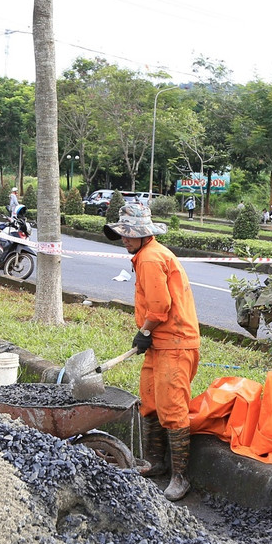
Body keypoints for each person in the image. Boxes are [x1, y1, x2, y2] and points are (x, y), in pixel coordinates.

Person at [103, 203, 201, 501]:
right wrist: (148, 335)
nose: (125, 239)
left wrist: (144, 331)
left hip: (175, 342)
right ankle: (156, 462)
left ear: (145, 235)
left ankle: (180, 477)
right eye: (123, 234)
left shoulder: (150, 259)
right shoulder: (145, 255)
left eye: (129, 234)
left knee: (172, 407)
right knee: (149, 401)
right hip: (160, 342)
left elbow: (160, 308)